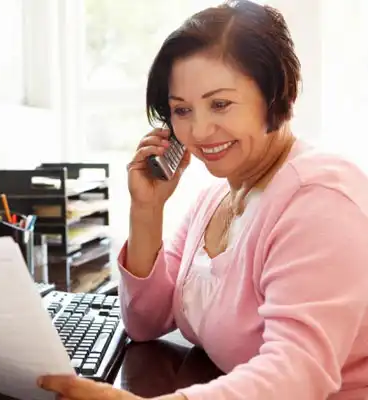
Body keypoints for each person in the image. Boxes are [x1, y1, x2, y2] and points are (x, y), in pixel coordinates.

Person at [38, 0, 368, 399]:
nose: (200, 130)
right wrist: (147, 208)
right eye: (181, 110)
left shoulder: (320, 199)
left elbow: (297, 374)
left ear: (277, 94)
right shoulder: (215, 198)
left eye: (220, 104)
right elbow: (145, 322)